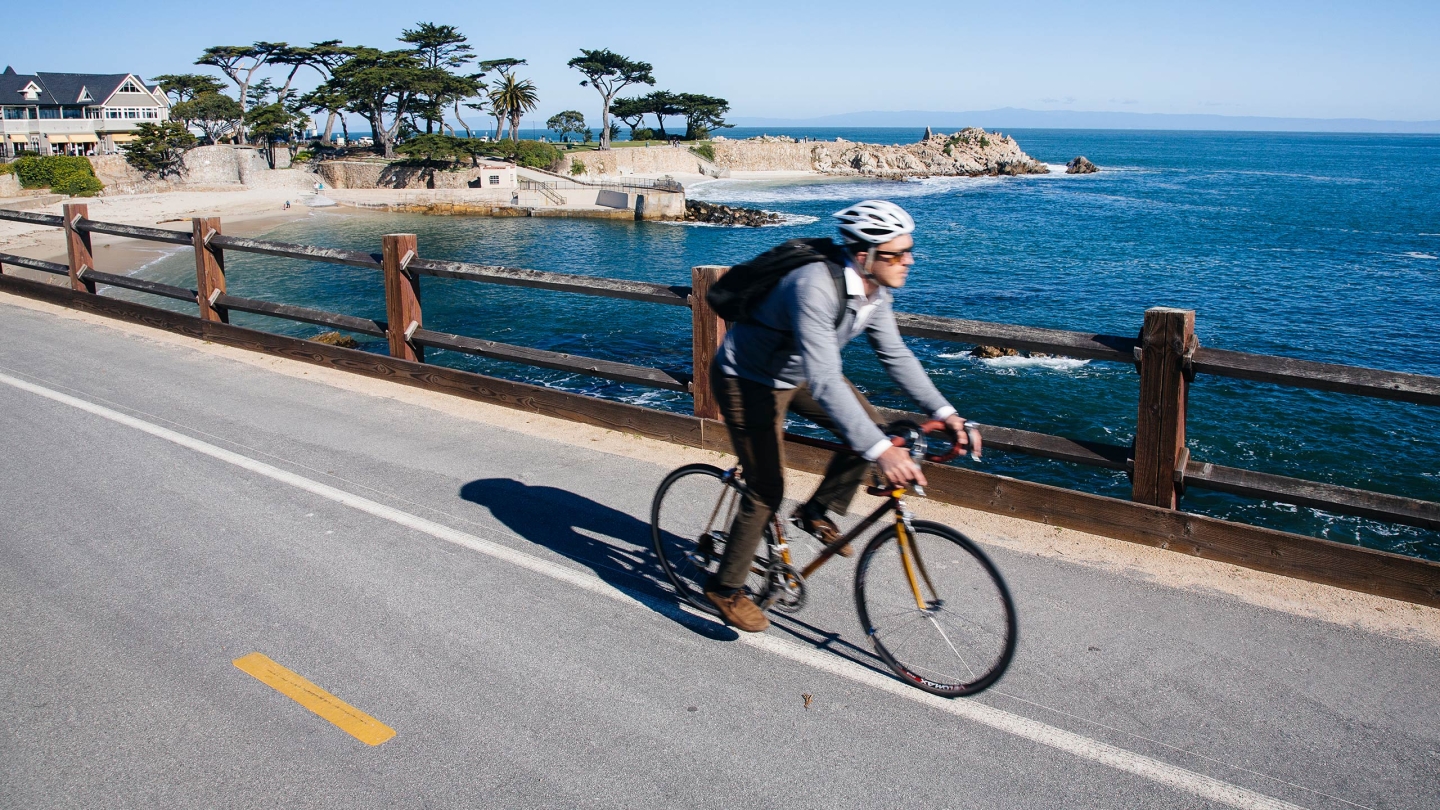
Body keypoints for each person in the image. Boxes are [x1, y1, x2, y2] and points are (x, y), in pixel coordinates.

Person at [706, 200, 978, 632]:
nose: (908, 261)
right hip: (748, 379)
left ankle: (817, 510)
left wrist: (945, 411)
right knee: (766, 486)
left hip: (800, 373)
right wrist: (881, 452)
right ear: (862, 255)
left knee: (877, 432)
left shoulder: (876, 291)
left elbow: (895, 355)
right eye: (895, 254)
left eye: (908, 250)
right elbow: (828, 381)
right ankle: (725, 588)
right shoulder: (813, 285)